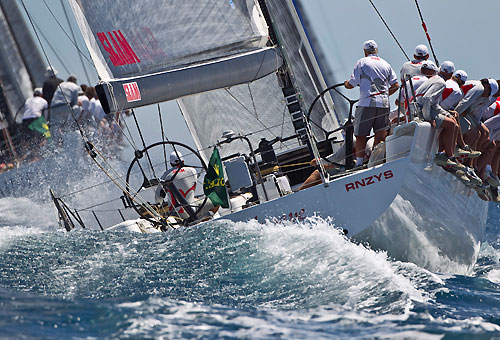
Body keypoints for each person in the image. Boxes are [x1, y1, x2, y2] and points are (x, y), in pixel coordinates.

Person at [344, 40, 399, 167]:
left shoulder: (362, 62)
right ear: (376, 51)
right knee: (380, 132)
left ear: (365, 51)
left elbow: (351, 84)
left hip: (366, 103)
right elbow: (395, 85)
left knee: (360, 133)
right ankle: (375, 161)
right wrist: (384, 95)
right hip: (384, 104)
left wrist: (346, 83)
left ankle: (359, 163)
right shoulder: (386, 64)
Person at [414, 61, 466, 171]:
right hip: (420, 111)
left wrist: (446, 114)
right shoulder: (441, 82)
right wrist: (427, 118)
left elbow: (435, 104)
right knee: (451, 124)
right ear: (450, 74)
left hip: (419, 108)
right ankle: (448, 156)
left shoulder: (434, 78)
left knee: (451, 120)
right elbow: (427, 99)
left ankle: (445, 154)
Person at [155, 152, 219, 221]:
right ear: (183, 161)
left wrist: (159, 204)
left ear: (171, 164)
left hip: (176, 215)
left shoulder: (165, 175)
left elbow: (158, 198)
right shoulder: (192, 171)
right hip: (193, 211)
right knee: (217, 201)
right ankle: (202, 220)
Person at [21, 88, 49, 153]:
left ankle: (24, 154)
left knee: (27, 139)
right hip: (35, 119)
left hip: (25, 120)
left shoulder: (28, 100)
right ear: (41, 95)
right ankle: (38, 153)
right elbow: (46, 116)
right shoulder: (44, 101)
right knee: (40, 137)